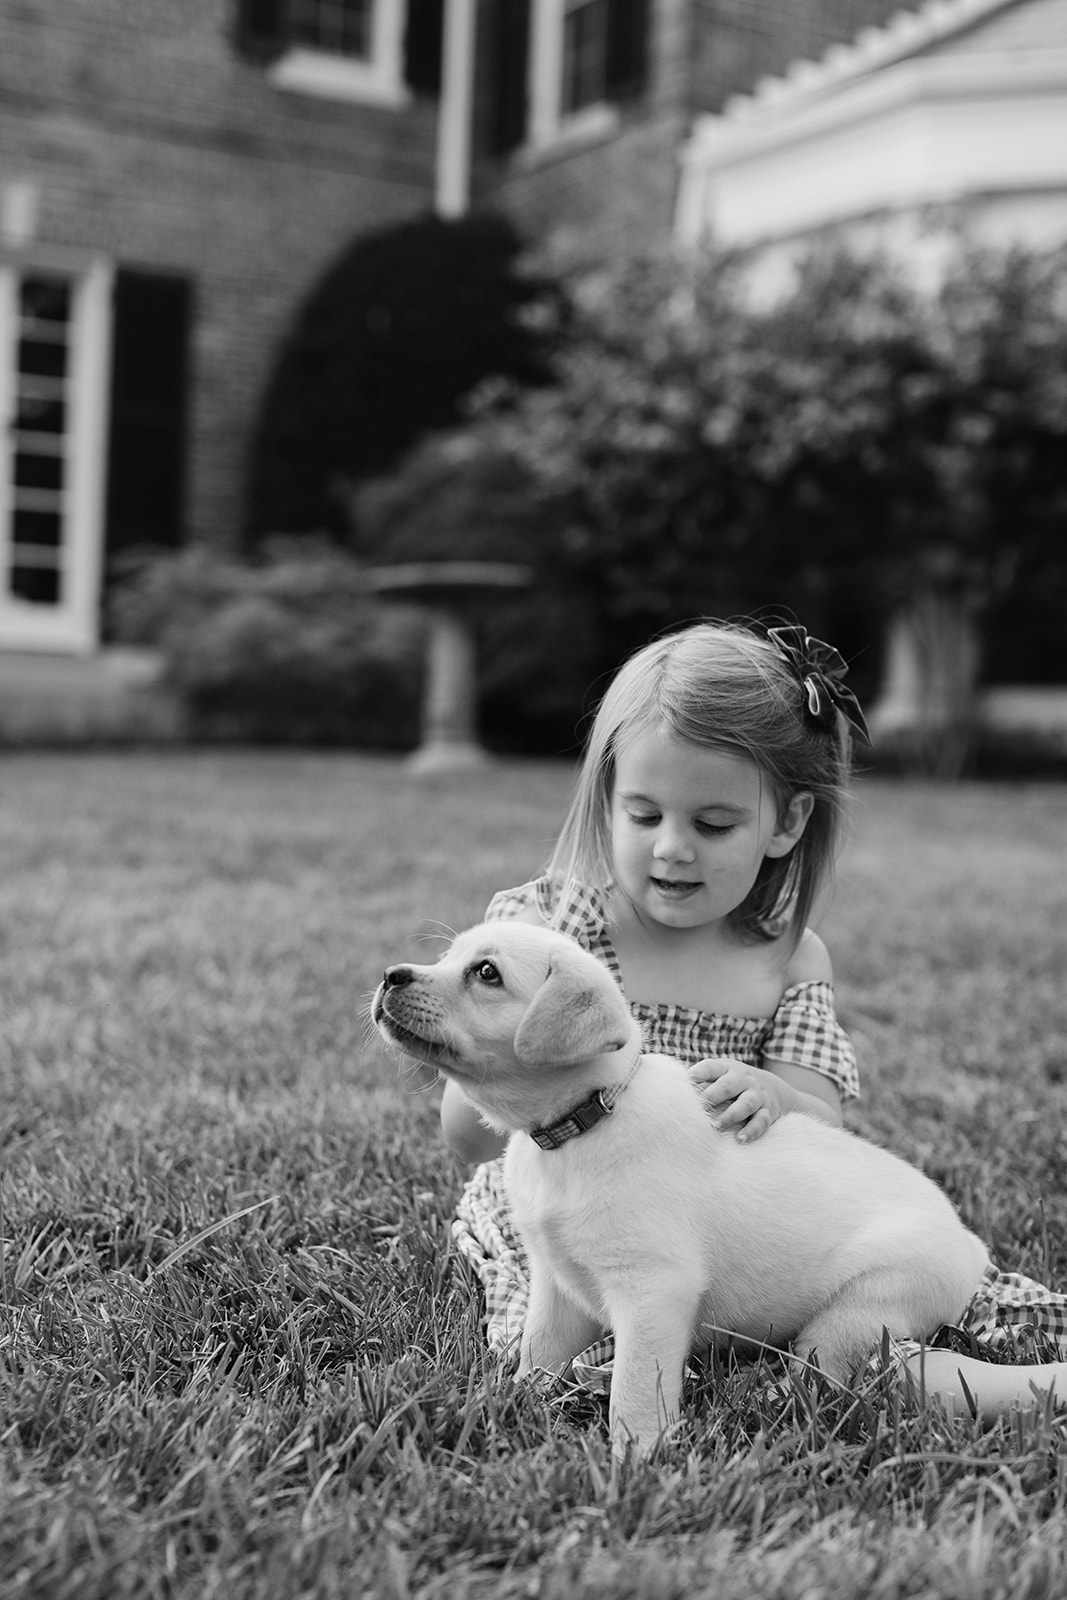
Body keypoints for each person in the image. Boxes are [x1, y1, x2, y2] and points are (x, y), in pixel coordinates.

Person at [444, 618, 1067, 1420]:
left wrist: (769, 1094)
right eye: (642, 815)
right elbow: (468, 1136)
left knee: (843, 1355)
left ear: (787, 823)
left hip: (741, 1235)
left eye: (711, 825)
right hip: (574, 1206)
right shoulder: (552, 934)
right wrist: (498, 1050)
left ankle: (1021, 1391)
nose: (671, 849)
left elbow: (821, 1122)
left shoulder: (786, 959)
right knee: (569, 1338)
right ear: (606, 802)